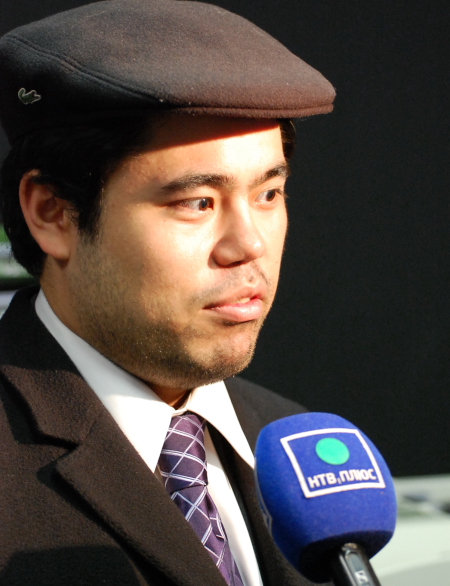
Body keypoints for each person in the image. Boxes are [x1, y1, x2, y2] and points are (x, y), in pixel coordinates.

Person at [0, 1, 335, 585]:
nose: (248, 245)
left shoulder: (292, 446)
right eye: (197, 202)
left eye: (268, 194)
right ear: (53, 213)